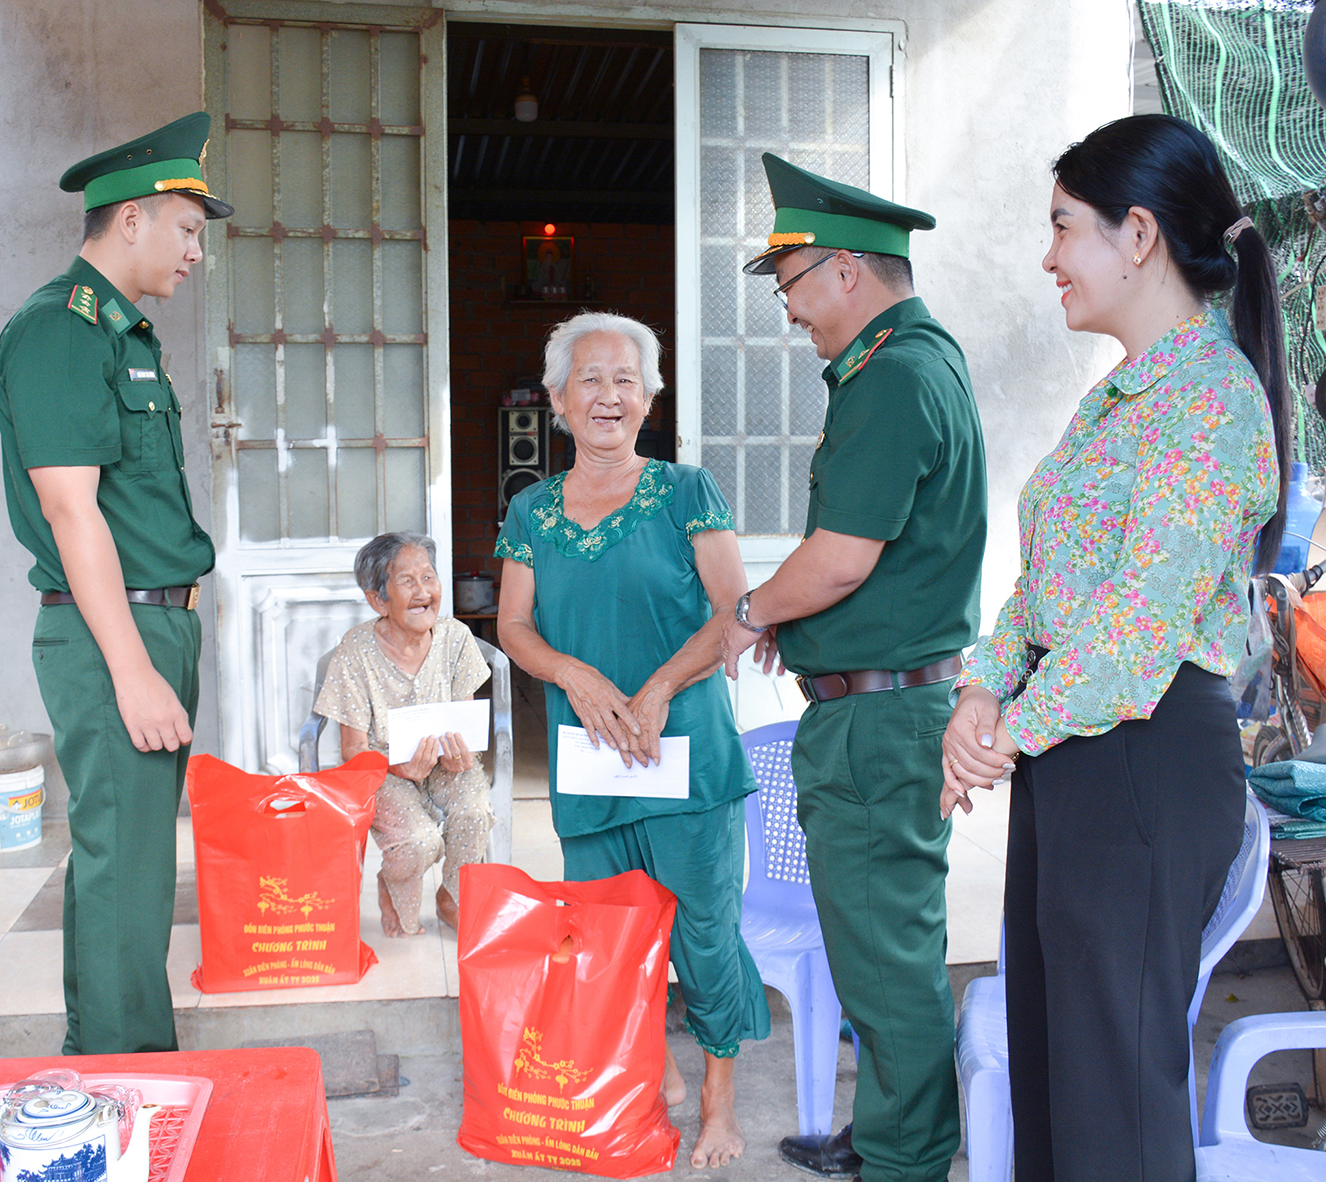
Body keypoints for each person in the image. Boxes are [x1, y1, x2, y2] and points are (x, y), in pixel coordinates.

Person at [942, 113, 1287, 1182]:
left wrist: (1002, 732)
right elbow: (1045, 591)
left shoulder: (1209, 401)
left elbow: (1138, 628)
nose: (1047, 256)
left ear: (1136, 234)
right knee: (1058, 1070)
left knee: (1114, 1101)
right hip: (1076, 747)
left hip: (1140, 754)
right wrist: (979, 694)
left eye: (1062, 227)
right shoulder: (1114, 403)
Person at [720, 154, 988, 1182]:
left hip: (877, 726)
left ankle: (903, 1162)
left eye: (789, 285)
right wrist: (807, 629)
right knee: (885, 959)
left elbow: (838, 559)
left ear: (844, 273)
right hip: (883, 705)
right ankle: (892, 1140)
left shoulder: (893, 376)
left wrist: (754, 613)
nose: (788, 312)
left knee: (888, 971)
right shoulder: (921, 363)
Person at [495, 311, 770, 1170]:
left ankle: (717, 1104)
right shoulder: (530, 509)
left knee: (706, 936)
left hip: (685, 755)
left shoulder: (688, 491)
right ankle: (646, 1076)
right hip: (591, 759)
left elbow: (735, 611)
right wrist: (575, 676)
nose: (608, 394)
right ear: (557, 402)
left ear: (649, 398)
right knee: (610, 936)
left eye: (626, 380)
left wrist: (656, 688)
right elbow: (513, 627)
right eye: (590, 379)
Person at [0, 113, 232, 1055]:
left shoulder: (126, 336)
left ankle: (113, 1074)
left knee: (130, 869)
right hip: (110, 641)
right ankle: (126, 1081)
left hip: (147, 627)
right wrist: (133, 670)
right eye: (186, 232)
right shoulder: (61, 331)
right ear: (130, 219)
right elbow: (72, 513)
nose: (192, 255)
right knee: (123, 873)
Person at [314, 532, 493, 936]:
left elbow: (462, 718)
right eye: (407, 581)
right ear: (378, 599)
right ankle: (394, 884)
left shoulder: (454, 638)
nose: (423, 591)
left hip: (443, 762)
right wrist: (399, 767)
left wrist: (461, 753)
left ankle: (453, 896)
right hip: (381, 767)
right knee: (417, 842)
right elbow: (354, 749)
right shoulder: (356, 651)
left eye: (428, 577)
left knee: (474, 811)